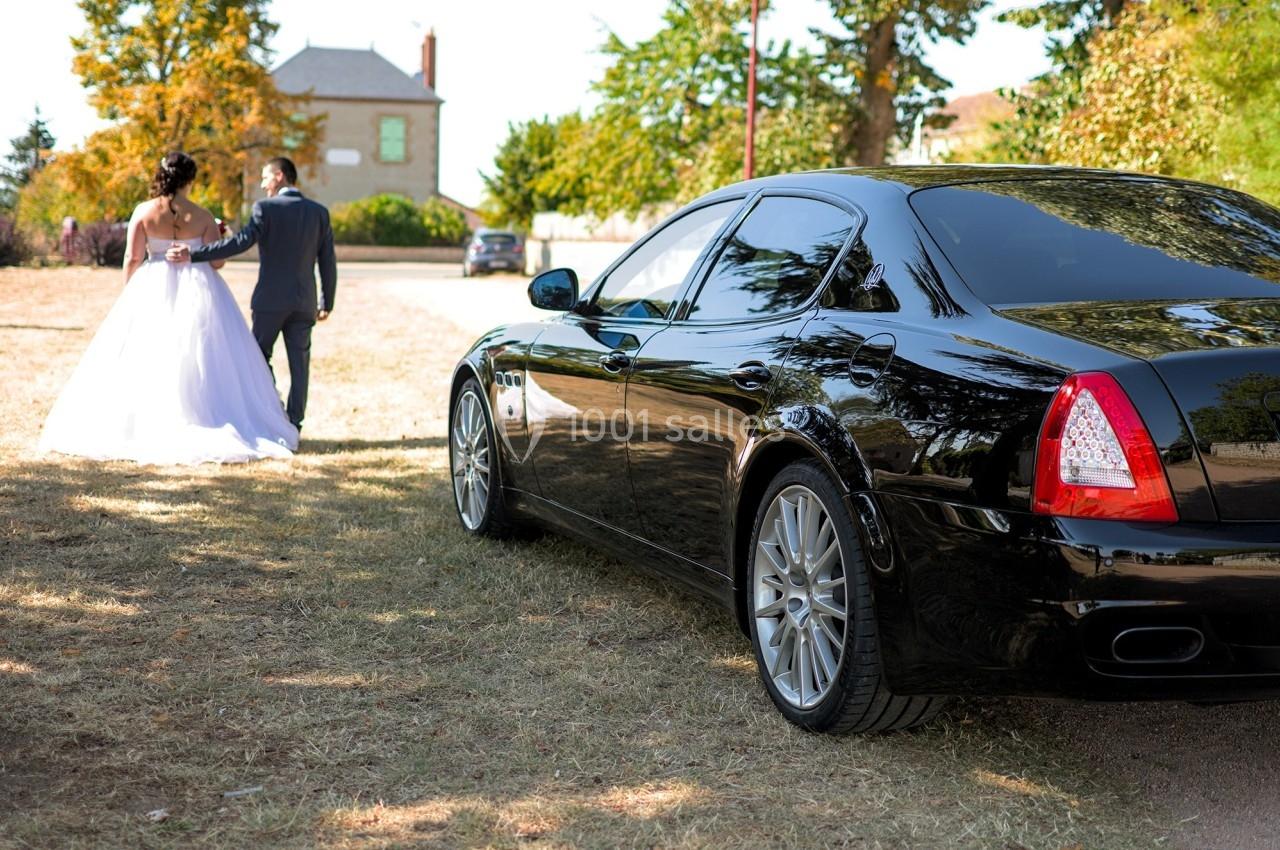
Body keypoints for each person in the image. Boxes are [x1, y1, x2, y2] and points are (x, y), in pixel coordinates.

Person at [38, 152, 298, 464]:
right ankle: (203, 413)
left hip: (152, 283)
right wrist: (214, 237)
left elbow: (133, 257)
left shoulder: (144, 212)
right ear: (190, 180)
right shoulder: (203, 216)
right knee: (200, 353)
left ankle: (149, 418)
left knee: (148, 353)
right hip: (199, 287)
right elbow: (217, 261)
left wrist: (130, 292)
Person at [167, 157, 336, 434]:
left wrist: (194, 255)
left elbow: (240, 243)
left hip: (270, 301)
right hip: (304, 301)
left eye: (265, 177)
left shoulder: (265, 208)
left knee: (257, 359)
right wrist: (326, 300)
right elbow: (327, 260)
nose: (263, 184)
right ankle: (294, 423)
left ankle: (273, 411)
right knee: (300, 364)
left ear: (279, 176)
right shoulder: (318, 212)